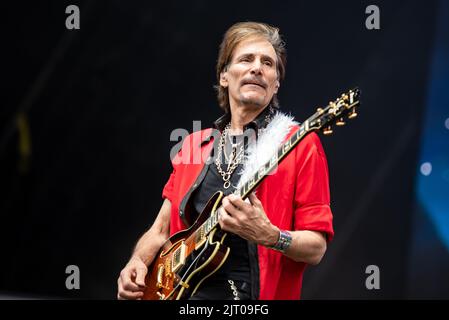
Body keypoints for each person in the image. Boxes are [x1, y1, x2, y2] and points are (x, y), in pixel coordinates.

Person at [117, 21, 334, 300]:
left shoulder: (298, 145)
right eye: (246, 59)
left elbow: (316, 248)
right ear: (224, 76)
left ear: (276, 83)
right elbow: (160, 230)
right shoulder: (195, 144)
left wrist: (270, 235)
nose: (257, 68)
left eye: (268, 63)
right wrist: (136, 262)